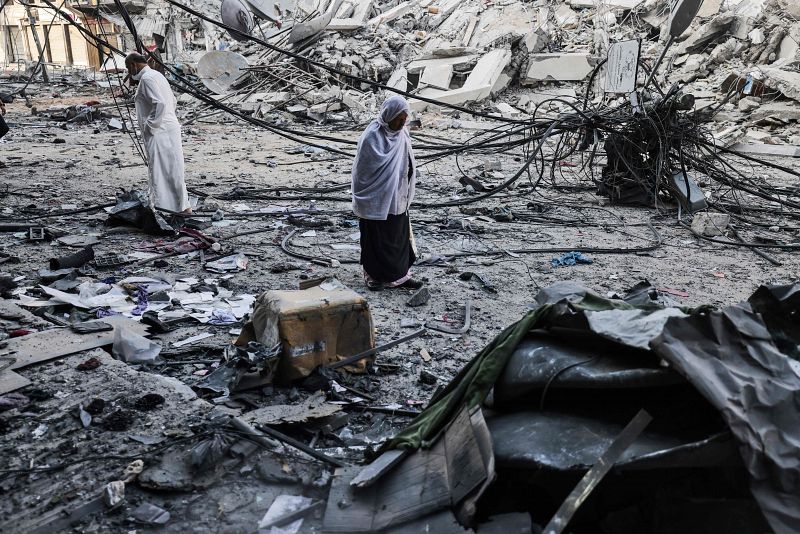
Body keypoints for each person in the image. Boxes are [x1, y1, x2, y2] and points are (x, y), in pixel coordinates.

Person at [352, 95, 423, 291]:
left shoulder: (402, 135)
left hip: (398, 195)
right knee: (376, 239)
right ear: (388, 116)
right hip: (376, 198)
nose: (401, 124)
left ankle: (400, 276)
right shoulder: (372, 136)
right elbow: (363, 173)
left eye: (404, 120)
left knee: (397, 237)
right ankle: (373, 276)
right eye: (398, 120)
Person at [125, 52, 191, 213]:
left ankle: (165, 208)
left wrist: (150, 126)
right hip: (167, 127)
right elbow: (172, 101)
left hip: (160, 130)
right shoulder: (156, 75)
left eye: (128, 68)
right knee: (172, 168)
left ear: (134, 64)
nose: (129, 73)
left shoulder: (147, 79)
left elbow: (159, 103)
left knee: (161, 170)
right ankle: (180, 206)